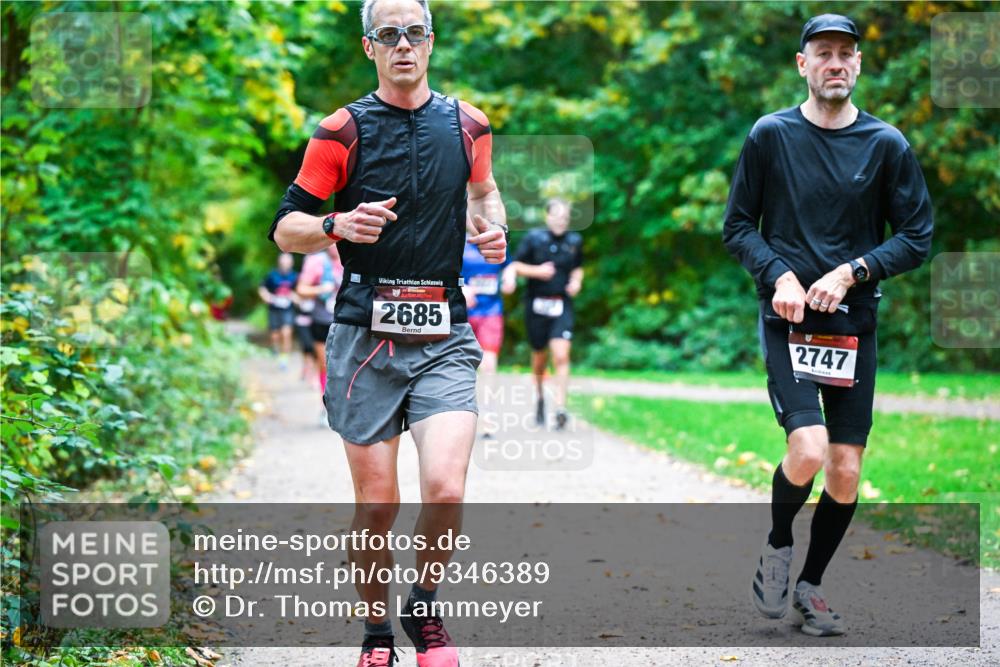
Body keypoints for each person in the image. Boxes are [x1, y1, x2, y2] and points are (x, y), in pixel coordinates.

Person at [268, 0, 507, 664]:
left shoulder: (469, 124)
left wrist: (492, 225)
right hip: (363, 337)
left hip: (443, 332)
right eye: (389, 34)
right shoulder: (340, 130)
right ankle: (376, 634)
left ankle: (422, 607)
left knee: (447, 488)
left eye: (415, 33)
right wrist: (335, 225)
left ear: (431, 42)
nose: (404, 44)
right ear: (369, 46)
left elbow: (484, 191)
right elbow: (285, 227)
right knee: (378, 506)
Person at [722, 14, 932, 637]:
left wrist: (853, 272)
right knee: (808, 449)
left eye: (846, 53)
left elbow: (917, 236)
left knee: (844, 468)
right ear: (802, 64)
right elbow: (738, 227)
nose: (835, 63)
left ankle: (810, 587)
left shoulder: (886, 144)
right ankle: (778, 545)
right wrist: (780, 276)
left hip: (852, 325)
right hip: (787, 321)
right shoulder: (771, 135)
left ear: (858, 63)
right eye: (823, 53)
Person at [502, 197, 583, 431]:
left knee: (561, 355)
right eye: (557, 216)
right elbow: (515, 265)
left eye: (565, 218)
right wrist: (537, 271)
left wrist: (576, 282)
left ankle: (560, 408)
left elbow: (578, 268)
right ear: (548, 216)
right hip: (536, 305)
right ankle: (539, 398)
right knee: (539, 357)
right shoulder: (534, 238)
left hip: (561, 304)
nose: (561, 221)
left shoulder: (574, 241)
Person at [461, 234, 508, 439]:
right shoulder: (456, 239)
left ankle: (488, 418)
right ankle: (462, 418)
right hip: (462, 312)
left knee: (488, 365)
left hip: (491, 311)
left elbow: (510, 264)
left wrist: (510, 276)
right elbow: (438, 271)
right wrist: (460, 286)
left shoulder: (496, 237)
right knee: (461, 367)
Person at [296, 244, 344, 397]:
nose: (335, 245)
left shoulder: (354, 258)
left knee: (345, 365)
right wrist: (321, 289)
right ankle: (325, 402)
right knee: (325, 364)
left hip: (347, 321)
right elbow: (301, 289)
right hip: (322, 320)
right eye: (332, 242)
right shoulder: (317, 261)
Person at [259, 252, 298, 368]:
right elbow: (262, 287)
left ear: (291, 263)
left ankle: (284, 359)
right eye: (283, 261)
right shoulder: (272, 275)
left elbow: (300, 291)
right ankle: (275, 349)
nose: (285, 263)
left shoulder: (295, 276)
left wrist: (296, 297)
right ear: (279, 262)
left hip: (288, 309)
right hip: (274, 308)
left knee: (286, 333)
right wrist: (266, 296)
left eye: (288, 261)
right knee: (275, 335)